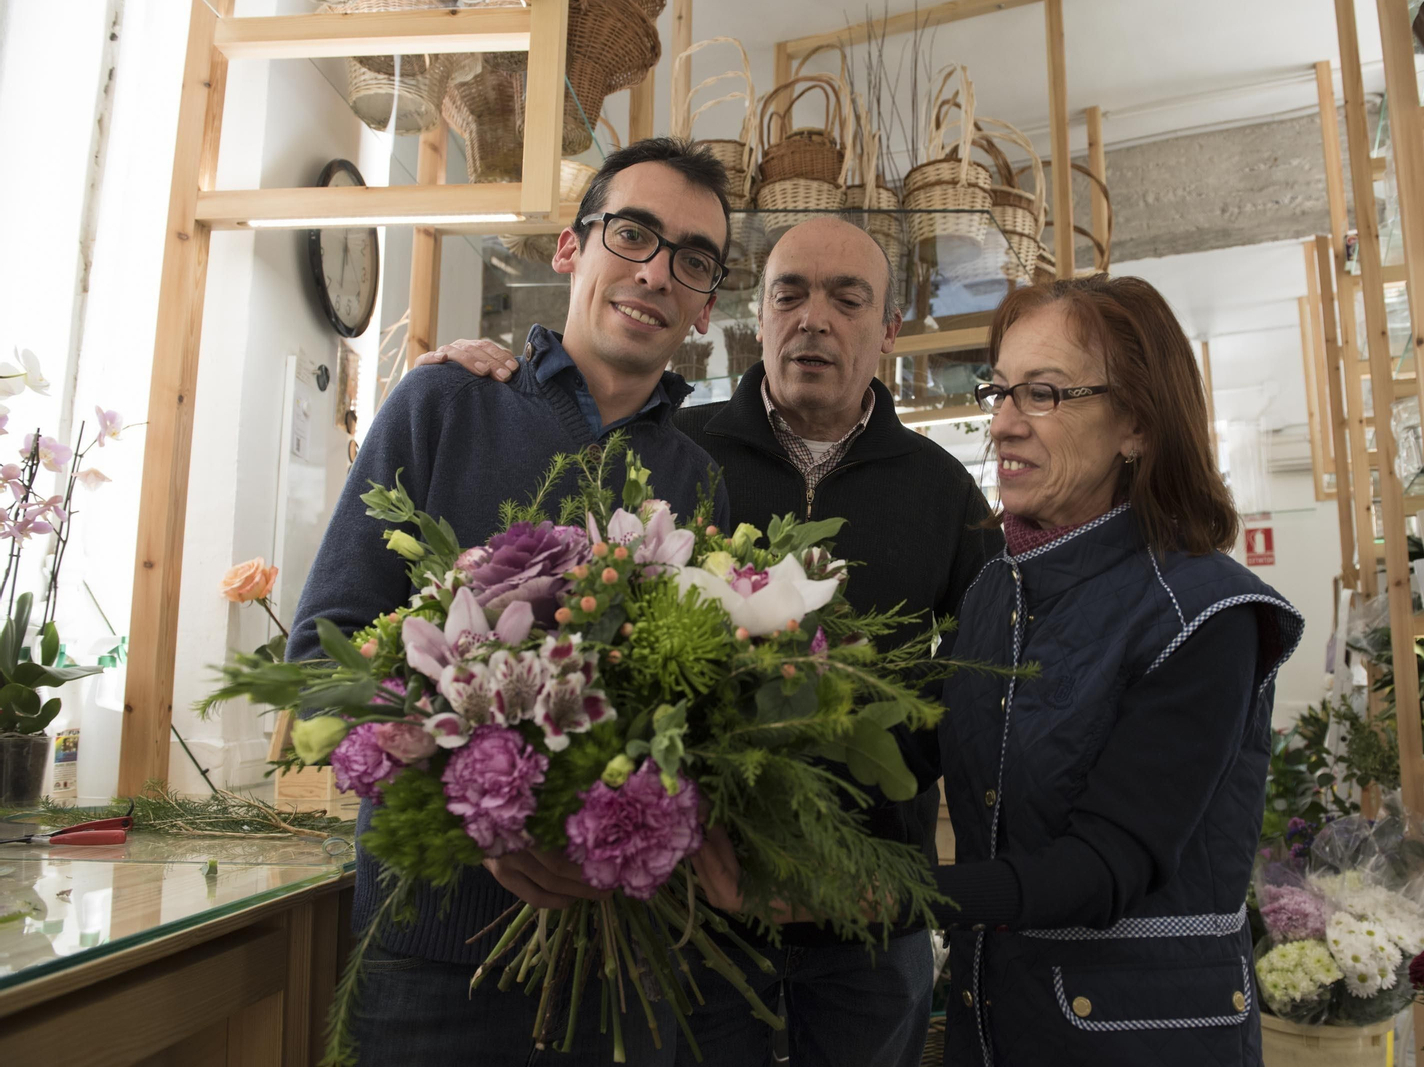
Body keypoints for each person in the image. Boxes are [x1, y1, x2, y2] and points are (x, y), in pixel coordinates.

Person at [425, 216, 1001, 1066]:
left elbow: (973, 702)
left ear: (887, 330)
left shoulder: (945, 491)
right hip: (685, 912)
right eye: (789, 293)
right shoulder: (675, 454)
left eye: (848, 299)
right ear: (754, 317)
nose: (815, 318)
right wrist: (476, 378)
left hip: (868, 912)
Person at [694, 274, 1305, 1066]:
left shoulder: (1207, 614)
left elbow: (1104, 867)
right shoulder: (1000, 589)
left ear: (1139, 425)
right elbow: (919, 743)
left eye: (1043, 394)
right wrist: (722, 752)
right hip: (1004, 1019)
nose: (1003, 424)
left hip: (1142, 1036)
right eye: (1001, 390)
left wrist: (871, 896)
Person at [287, 137, 735, 1066]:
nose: (655, 272)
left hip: (624, 968)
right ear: (571, 249)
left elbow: (704, 717)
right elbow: (322, 653)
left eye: (692, 259)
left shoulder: (698, 485)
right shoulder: (444, 405)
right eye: (633, 233)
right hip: (431, 961)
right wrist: (474, 812)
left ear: (705, 305)